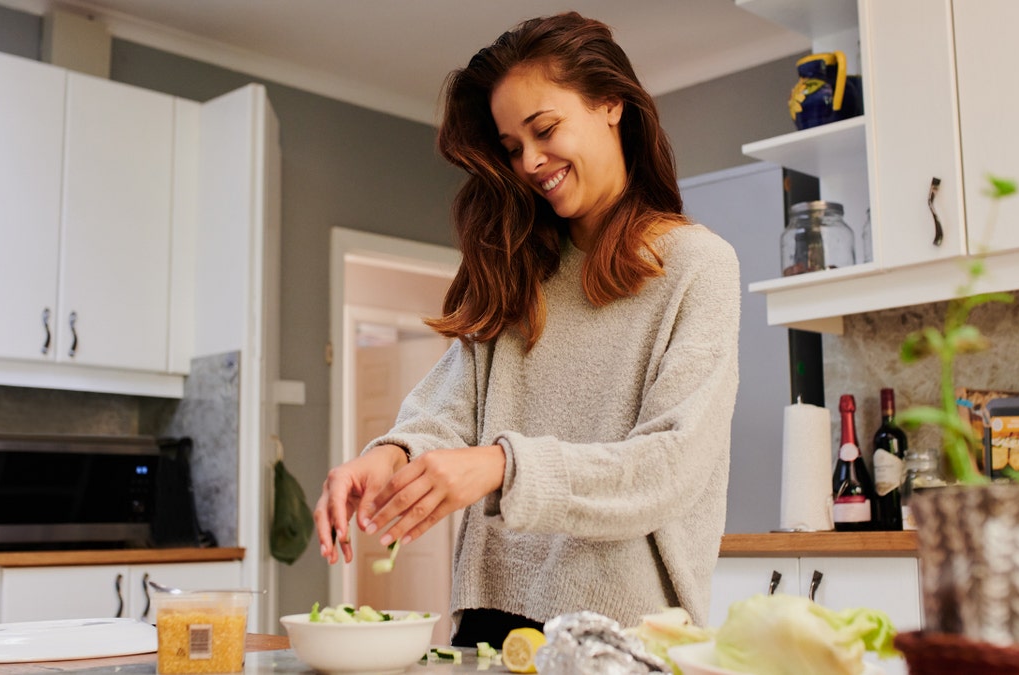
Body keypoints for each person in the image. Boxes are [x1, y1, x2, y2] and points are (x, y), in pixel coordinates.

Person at [313, 11, 740, 648]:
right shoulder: (519, 265)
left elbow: (670, 466)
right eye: (512, 148)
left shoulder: (696, 265)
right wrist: (389, 455)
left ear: (611, 105)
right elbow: (449, 407)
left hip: (622, 630)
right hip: (488, 619)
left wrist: (502, 466)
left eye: (544, 130)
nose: (531, 162)